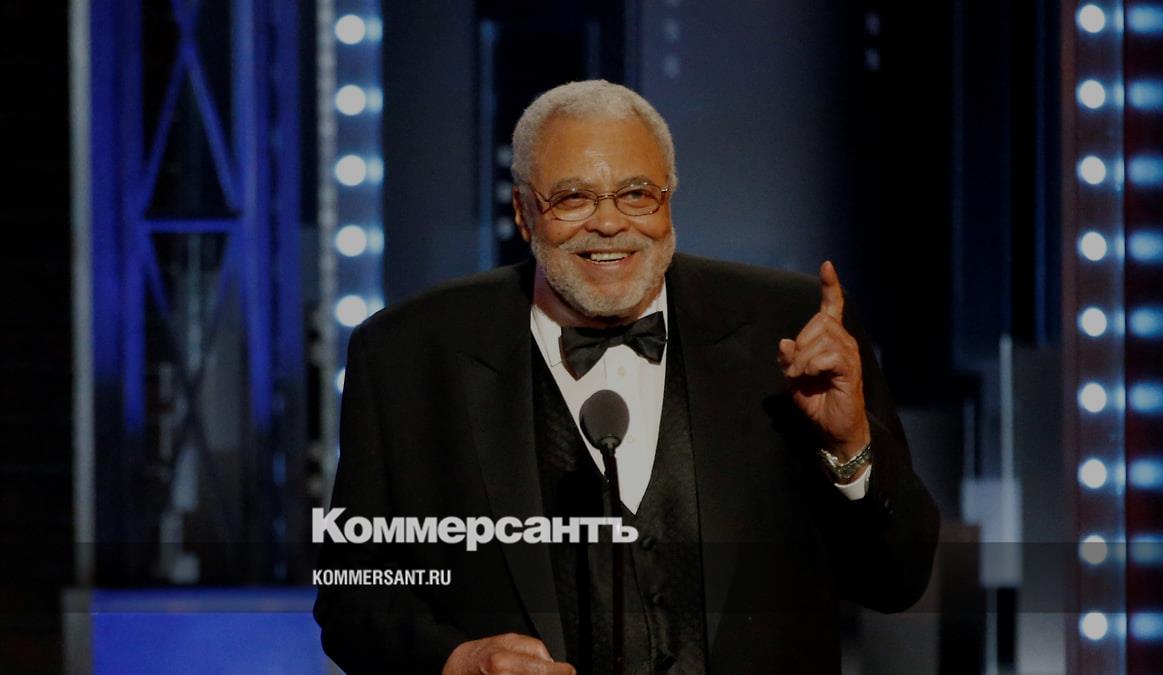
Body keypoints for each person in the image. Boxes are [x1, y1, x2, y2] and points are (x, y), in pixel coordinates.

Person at [314, 80, 939, 674]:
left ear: (669, 199)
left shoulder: (792, 327)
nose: (610, 223)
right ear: (525, 213)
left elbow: (897, 581)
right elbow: (351, 595)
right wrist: (453, 661)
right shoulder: (407, 354)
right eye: (573, 198)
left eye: (637, 194)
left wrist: (851, 448)